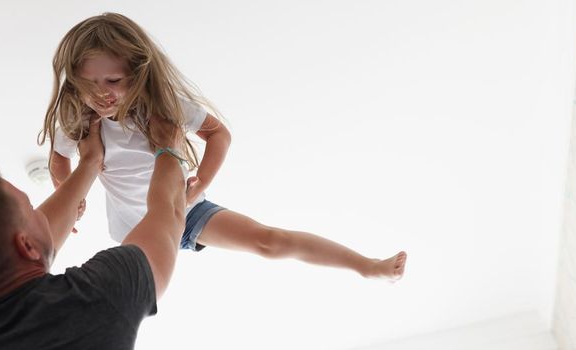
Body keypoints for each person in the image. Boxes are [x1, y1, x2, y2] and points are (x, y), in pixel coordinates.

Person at [39, 12, 407, 281]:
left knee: (268, 241)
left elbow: (219, 134)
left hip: (187, 212)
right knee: (126, 288)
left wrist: (202, 181)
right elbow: (58, 159)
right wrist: (70, 197)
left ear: (137, 72)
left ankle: (365, 266)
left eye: (114, 80)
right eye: (88, 83)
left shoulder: (163, 109)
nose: (102, 93)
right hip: (134, 226)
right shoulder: (81, 121)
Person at [0, 117, 188, 349]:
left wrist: (90, 163)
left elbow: (22, 253)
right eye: (31, 207)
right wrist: (168, 149)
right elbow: (169, 215)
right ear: (25, 246)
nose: (40, 212)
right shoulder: (99, 298)